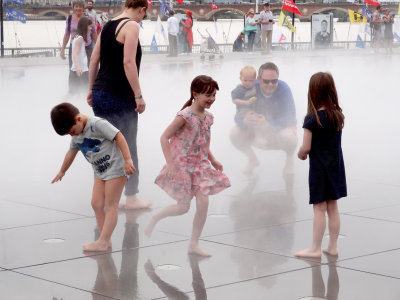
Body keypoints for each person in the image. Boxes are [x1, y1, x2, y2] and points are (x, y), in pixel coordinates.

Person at [144, 75, 231, 257]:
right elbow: (164, 137)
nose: (211, 99)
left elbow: (203, 142)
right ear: (195, 94)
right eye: (208, 94)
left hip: (200, 166)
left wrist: (213, 160)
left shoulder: (209, 118)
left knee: (203, 202)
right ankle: (155, 218)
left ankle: (194, 243)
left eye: (214, 95)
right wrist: (170, 163)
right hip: (182, 166)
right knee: (183, 208)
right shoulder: (184, 116)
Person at [87, 0, 152, 210]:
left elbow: (94, 59)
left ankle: (103, 196)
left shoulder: (107, 25)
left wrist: (91, 89)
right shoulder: (131, 26)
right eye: (145, 15)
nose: (142, 20)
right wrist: (138, 95)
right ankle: (131, 197)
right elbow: (128, 62)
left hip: (100, 94)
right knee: (128, 145)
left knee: (105, 146)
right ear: (141, 9)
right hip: (119, 95)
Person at [50, 103, 135, 252]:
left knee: (110, 206)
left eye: (72, 132)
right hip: (99, 171)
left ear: (78, 119)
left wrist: (128, 160)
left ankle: (102, 241)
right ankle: (105, 239)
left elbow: (119, 137)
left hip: (116, 167)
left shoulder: (97, 124)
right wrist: (62, 171)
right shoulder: (76, 134)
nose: (73, 135)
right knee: (96, 204)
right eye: (70, 134)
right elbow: (71, 152)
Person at [294, 72, 347, 258]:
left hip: (319, 169)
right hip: (336, 168)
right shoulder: (337, 116)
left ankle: (315, 248)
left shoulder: (312, 119)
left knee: (319, 209)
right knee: (333, 207)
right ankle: (332, 246)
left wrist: (300, 153)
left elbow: (306, 147)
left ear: (313, 92)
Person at [230, 62, 297, 174]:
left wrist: (269, 124)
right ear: (259, 79)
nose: (270, 84)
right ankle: (252, 160)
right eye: (266, 81)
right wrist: (244, 120)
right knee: (234, 133)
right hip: (255, 133)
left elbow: (291, 117)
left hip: (276, 133)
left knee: (290, 136)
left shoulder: (283, 89)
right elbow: (238, 113)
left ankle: (289, 160)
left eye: (274, 81)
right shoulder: (250, 88)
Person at [60, 1, 98, 68]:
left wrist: (99, 48)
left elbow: (94, 33)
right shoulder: (69, 19)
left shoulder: (89, 17)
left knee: (88, 69)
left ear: (83, 8)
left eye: (80, 6)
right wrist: (63, 49)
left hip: (87, 48)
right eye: (76, 6)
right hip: (74, 48)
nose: (78, 8)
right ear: (73, 8)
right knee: (74, 69)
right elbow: (67, 34)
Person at [70, 16, 93, 98]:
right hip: (81, 70)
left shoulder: (78, 37)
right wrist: (78, 67)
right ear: (84, 26)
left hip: (82, 68)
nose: (91, 28)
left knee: (78, 92)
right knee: (83, 91)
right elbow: (75, 53)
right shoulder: (80, 38)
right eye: (90, 26)